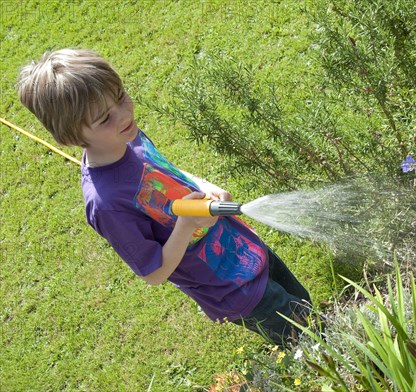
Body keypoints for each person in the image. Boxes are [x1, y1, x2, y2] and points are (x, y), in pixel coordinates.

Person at [17, 48, 312, 346]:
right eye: (105, 118)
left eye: (120, 97)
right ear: (73, 137)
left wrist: (204, 185)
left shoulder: (128, 137)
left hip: (244, 247)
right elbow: (154, 273)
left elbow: (168, 171)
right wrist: (185, 225)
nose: (124, 114)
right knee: (305, 336)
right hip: (231, 287)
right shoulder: (107, 203)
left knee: (304, 306)